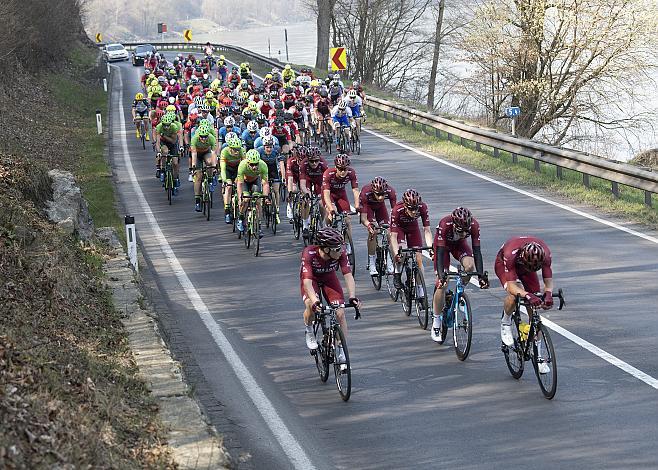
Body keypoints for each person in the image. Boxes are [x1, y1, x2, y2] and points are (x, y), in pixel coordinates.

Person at [495, 237, 554, 373]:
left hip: (527, 267)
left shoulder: (544, 254)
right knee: (515, 295)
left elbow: (548, 280)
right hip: (507, 266)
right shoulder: (511, 253)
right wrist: (527, 295)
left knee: (535, 311)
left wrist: (548, 294)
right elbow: (512, 287)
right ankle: (505, 322)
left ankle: (538, 357)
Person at [300, 227, 360, 357]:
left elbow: (348, 275)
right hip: (312, 280)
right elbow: (307, 283)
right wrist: (316, 302)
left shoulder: (340, 254)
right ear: (326, 249)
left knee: (340, 312)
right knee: (311, 305)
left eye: (341, 247)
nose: (341, 251)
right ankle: (309, 329)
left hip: (329, 278)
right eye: (337, 249)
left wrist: (352, 296)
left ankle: (341, 349)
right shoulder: (309, 254)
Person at [431, 207, 489, 342]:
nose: (464, 233)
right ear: (454, 225)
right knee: (441, 285)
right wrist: (441, 276)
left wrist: (480, 276)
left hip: (459, 246)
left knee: (470, 265)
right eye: (460, 230)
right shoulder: (445, 224)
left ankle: (459, 292)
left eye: (466, 231)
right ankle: (436, 321)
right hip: (443, 247)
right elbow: (439, 253)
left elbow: (477, 252)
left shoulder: (474, 225)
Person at [390, 189, 432, 290]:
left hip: (413, 228)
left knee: (418, 259)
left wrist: (431, 248)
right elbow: (393, 236)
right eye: (411, 209)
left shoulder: (423, 207)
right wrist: (396, 254)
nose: (414, 212)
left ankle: (420, 289)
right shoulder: (397, 210)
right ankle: (397, 273)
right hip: (399, 229)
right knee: (402, 252)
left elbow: (427, 230)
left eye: (415, 209)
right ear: (405, 205)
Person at [359, 177, 396, 276]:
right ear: (373, 191)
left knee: (388, 231)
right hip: (369, 208)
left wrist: (392, 227)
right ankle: (371, 261)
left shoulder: (391, 192)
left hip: (380, 208)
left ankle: (388, 258)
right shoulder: (365, 192)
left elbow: (395, 214)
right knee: (373, 230)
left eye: (383, 194)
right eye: (378, 194)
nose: (380, 197)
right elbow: (363, 218)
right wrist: (369, 225)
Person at [236, 150, 270, 237]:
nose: (254, 167)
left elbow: (265, 183)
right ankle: (240, 217)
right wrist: (240, 198)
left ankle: (259, 226)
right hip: (245, 182)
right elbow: (239, 184)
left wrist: (266, 197)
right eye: (251, 164)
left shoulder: (263, 165)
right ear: (247, 162)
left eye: (256, 164)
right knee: (246, 199)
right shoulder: (242, 165)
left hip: (255, 181)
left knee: (258, 201)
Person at [299, 147, 328, 238]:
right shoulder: (303, 164)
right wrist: (307, 193)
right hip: (307, 180)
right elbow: (302, 184)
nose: (314, 163)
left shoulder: (323, 164)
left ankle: (321, 222)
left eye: (316, 161)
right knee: (306, 200)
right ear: (308, 159)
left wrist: (323, 194)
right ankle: (305, 225)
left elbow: (326, 183)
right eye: (312, 161)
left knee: (322, 203)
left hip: (319, 181)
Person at [190, 121, 218, 212]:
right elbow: (194, 154)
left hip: (206, 152)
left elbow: (214, 153)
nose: (203, 138)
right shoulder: (194, 139)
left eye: (205, 136)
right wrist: (193, 166)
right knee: (198, 176)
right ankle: (197, 200)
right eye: (201, 137)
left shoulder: (211, 138)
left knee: (209, 162)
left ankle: (210, 180)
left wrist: (214, 167)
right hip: (197, 154)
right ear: (198, 135)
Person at [154, 112, 183, 195]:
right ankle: (163, 169)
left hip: (173, 144)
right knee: (165, 152)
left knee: (175, 162)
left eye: (168, 125)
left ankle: (175, 179)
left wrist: (165, 136)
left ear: (171, 123)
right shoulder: (159, 127)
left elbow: (173, 141)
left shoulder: (174, 127)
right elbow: (158, 142)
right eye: (164, 125)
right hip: (164, 143)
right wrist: (159, 151)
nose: (166, 127)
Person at [220, 136, 246, 222]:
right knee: (229, 187)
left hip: (237, 169)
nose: (237, 151)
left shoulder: (242, 151)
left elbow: (244, 166)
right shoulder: (224, 152)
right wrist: (225, 181)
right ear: (230, 148)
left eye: (238, 149)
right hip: (227, 169)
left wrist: (239, 178)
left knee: (239, 184)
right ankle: (227, 210)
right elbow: (223, 169)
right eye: (234, 149)